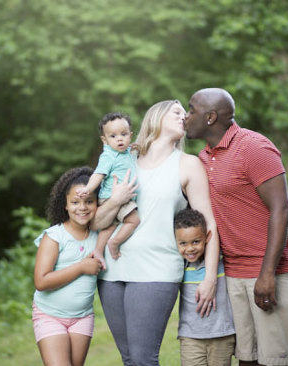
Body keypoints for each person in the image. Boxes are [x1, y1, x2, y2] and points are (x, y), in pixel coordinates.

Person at [184, 88, 288, 366]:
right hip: (234, 273)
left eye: (191, 109)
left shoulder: (253, 147)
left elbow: (282, 209)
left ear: (210, 117)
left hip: (273, 271)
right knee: (247, 359)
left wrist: (267, 274)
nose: (185, 116)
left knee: (277, 360)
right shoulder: (204, 157)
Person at [91, 100, 220, 366]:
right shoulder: (124, 160)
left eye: (185, 113)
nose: (183, 116)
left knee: (142, 359)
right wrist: (115, 201)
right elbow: (97, 223)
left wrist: (210, 278)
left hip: (156, 271)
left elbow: (210, 225)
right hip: (111, 273)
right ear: (156, 117)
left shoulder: (187, 165)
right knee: (129, 359)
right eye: (176, 111)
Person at [32, 166, 104, 366]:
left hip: (82, 318)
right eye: (75, 202)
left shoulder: (99, 236)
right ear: (64, 204)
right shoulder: (55, 236)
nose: (82, 207)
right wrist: (81, 267)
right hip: (50, 315)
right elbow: (41, 281)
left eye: (89, 201)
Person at [174, 208, 235, 366]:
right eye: (183, 243)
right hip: (190, 336)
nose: (190, 248)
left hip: (222, 334)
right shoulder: (179, 266)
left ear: (207, 237)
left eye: (196, 241)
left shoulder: (219, 260)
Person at [77, 112, 140, 262]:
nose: (119, 139)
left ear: (130, 135)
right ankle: (115, 242)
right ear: (104, 140)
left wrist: (135, 148)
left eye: (123, 134)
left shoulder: (126, 152)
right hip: (113, 197)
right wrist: (88, 189)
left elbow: (131, 154)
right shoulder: (108, 156)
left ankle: (98, 251)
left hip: (114, 197)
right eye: (113, 136)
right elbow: (98, 174)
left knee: (109, 226)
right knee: (133, 220)